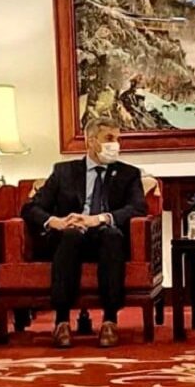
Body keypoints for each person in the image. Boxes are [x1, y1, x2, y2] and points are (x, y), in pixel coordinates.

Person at [22, 117, 146, 348]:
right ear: (91, 142)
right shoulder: (64, 172)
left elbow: (138, 208)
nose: (116, 144)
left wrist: (98, 219)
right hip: (69, 237)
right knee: (71, 235)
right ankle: (61, 322)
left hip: (105, 237)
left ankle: (110, 321)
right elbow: (31, 208)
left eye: (118, 139)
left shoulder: (128, 174)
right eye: (109, 138)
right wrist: (55, 222)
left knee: (111, 236)